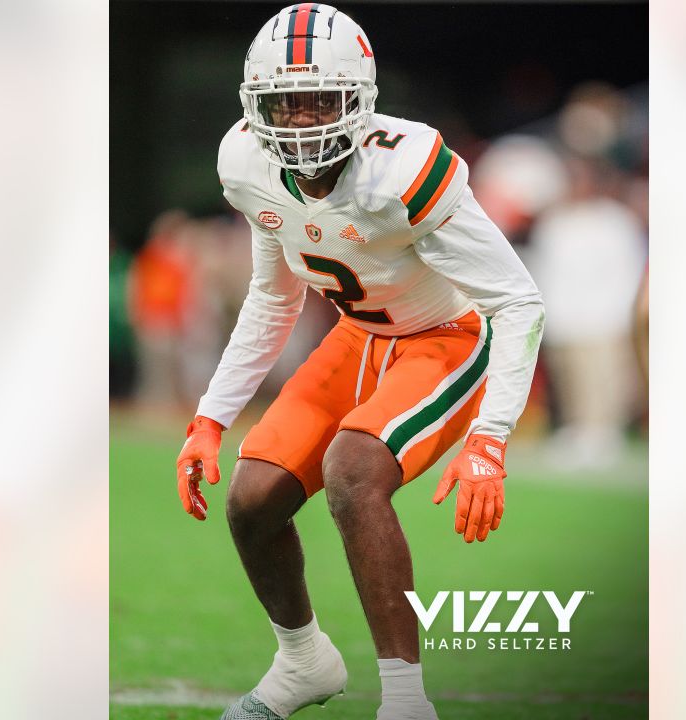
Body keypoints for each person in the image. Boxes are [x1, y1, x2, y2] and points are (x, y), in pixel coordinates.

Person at [174, 6, 544, 719]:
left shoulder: (403, 170)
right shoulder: (248, 164)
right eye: (286, 102)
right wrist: (211, 416)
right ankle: (303, 663)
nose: (303, 118)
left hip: (448, 335)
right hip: (358, 338)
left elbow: (518, 302)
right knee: (252, 496)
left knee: (353, 469)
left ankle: (407, 702)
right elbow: (271, 294)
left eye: (321, 99)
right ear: (257, 105)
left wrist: (490, 439)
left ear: (360, 100)